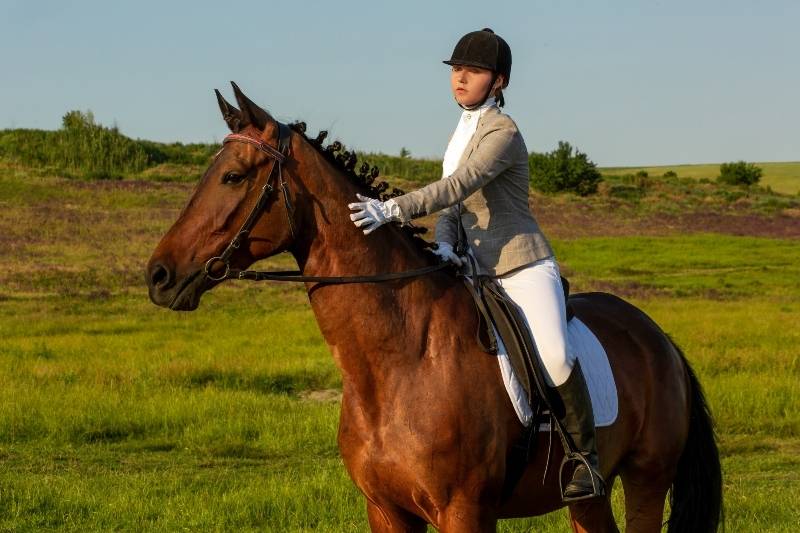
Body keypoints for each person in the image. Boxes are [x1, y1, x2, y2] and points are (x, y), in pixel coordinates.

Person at [347, 28, 604, 501]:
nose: (460, 77)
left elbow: (460, 185)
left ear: (499, 81)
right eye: (456, 70)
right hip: (472, 268)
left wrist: (394, 209)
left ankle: (585, 458)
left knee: (554, 353)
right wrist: (445, 246)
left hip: (519, 264)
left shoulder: (503, 133)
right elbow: (454, 209)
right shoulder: (461, 130)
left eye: (475, 71)